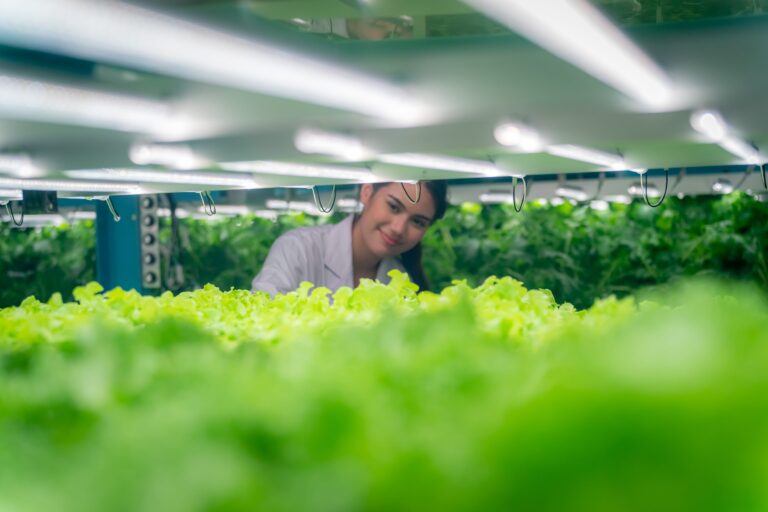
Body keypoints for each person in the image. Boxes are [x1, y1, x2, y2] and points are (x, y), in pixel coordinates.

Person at [251, 181, 448, 296]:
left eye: (418, 222)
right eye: (394, 207)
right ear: (367, 192)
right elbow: (260, 325)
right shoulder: (298, 248)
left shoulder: (401, 279)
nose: (398, 229)